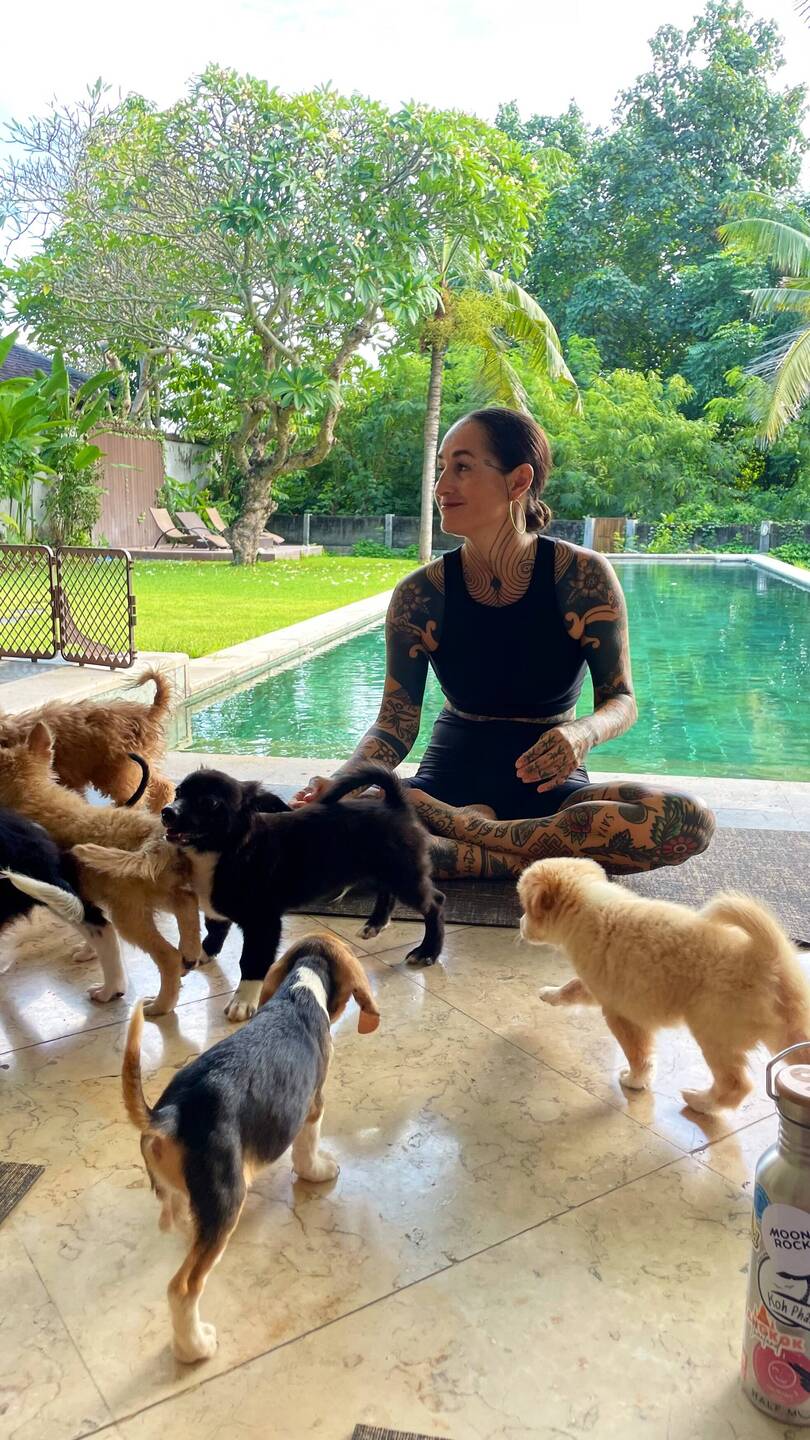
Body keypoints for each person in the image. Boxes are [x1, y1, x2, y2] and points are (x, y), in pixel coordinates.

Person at [293, 408, 715, 879]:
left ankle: (459, 841)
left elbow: (621, 701)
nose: (442, 486)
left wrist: (582, 733)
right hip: (447, 780)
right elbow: (394, 726)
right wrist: (344, 783)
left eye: (462, 467)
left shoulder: (582, 577)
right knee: (319, 832)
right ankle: (521, 856)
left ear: (519, 481)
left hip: (547, 792)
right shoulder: (420, 594)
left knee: (686, 821)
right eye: (442, 469)